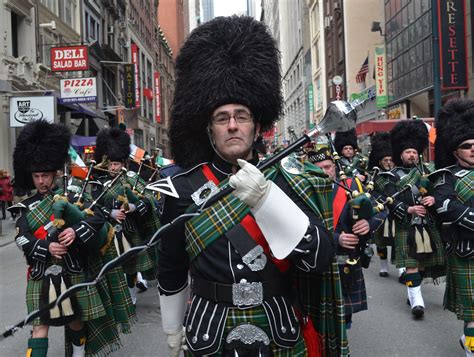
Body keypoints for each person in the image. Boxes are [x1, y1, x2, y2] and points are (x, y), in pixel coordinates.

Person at [158, 16, 344, 356]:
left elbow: (320, 256)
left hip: (278, 323)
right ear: (209, 129)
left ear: (257, 126)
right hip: (208, 328)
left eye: (241, 116)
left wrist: (265, 199)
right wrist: (172, 326)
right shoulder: (180, 187)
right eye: (221, 117)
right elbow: (170, 265)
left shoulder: (290, 180)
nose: (232, 125)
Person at [12, 119, 133, 357]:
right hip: (41, 272)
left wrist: (75, 231)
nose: (41, 181)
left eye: (45, 176)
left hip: (72, 269)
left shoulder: (74, 195)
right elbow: (22, 239)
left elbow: (98, 216)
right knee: (39, 326)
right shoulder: (25, 208)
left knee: (75, 321)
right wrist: (47, 247)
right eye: (36, 176)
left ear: (55, 173)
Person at [375, 119, 445, 318]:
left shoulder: (427, 172)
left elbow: (441, 193)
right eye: (407, 152)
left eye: (414, 151)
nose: (412, 154)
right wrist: (409, 209)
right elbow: (388, 200)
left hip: (427, 224)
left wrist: (433, 198)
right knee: (412, 263)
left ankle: (413, 291)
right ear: (400, 154)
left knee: (423, 263)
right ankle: (417, 300)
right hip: (406, 224)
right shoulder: (391, 176)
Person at [310, 147, 385, 329]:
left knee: (344, 319)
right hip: (317, 262)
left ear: (335, 167)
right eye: (319, 168)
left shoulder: (351, 186)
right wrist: (336, 239)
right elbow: (302, 226)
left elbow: (382, 208)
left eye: (328, 167)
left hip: (347, 262)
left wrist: (369, 223)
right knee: (319, 320)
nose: (325, 172)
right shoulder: (306, 192)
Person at [92, 126, 161, 305]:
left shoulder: (132, 178)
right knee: (110, 266)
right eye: (111, 164)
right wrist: (110, 213)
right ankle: (113, 295)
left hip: (129, 231)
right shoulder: (98, 183)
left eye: (117, 164)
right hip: (106, 231)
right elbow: (91, 207)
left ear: (124, 163)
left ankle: (130, 294)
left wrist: (134, 206)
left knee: (130, 267)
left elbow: (150, 199)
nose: (113, 168)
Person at [429, 99, 474, 356]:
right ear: (455, 151)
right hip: (466, 251)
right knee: (472, 313)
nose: (473, 149)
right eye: (466, 146)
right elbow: (445, 205)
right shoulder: (446, 176)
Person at [367, 132, 396, 278]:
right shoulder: (374, 175)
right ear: (380, 161)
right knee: (381, 241)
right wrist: (382, 200)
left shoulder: (399, 174)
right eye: (386, 160)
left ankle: (402, 268)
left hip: (397, 210)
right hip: (381, 210)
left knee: (398, 240)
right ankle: (384, 266)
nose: (389, 162)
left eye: (391, 160)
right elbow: (370, 193)